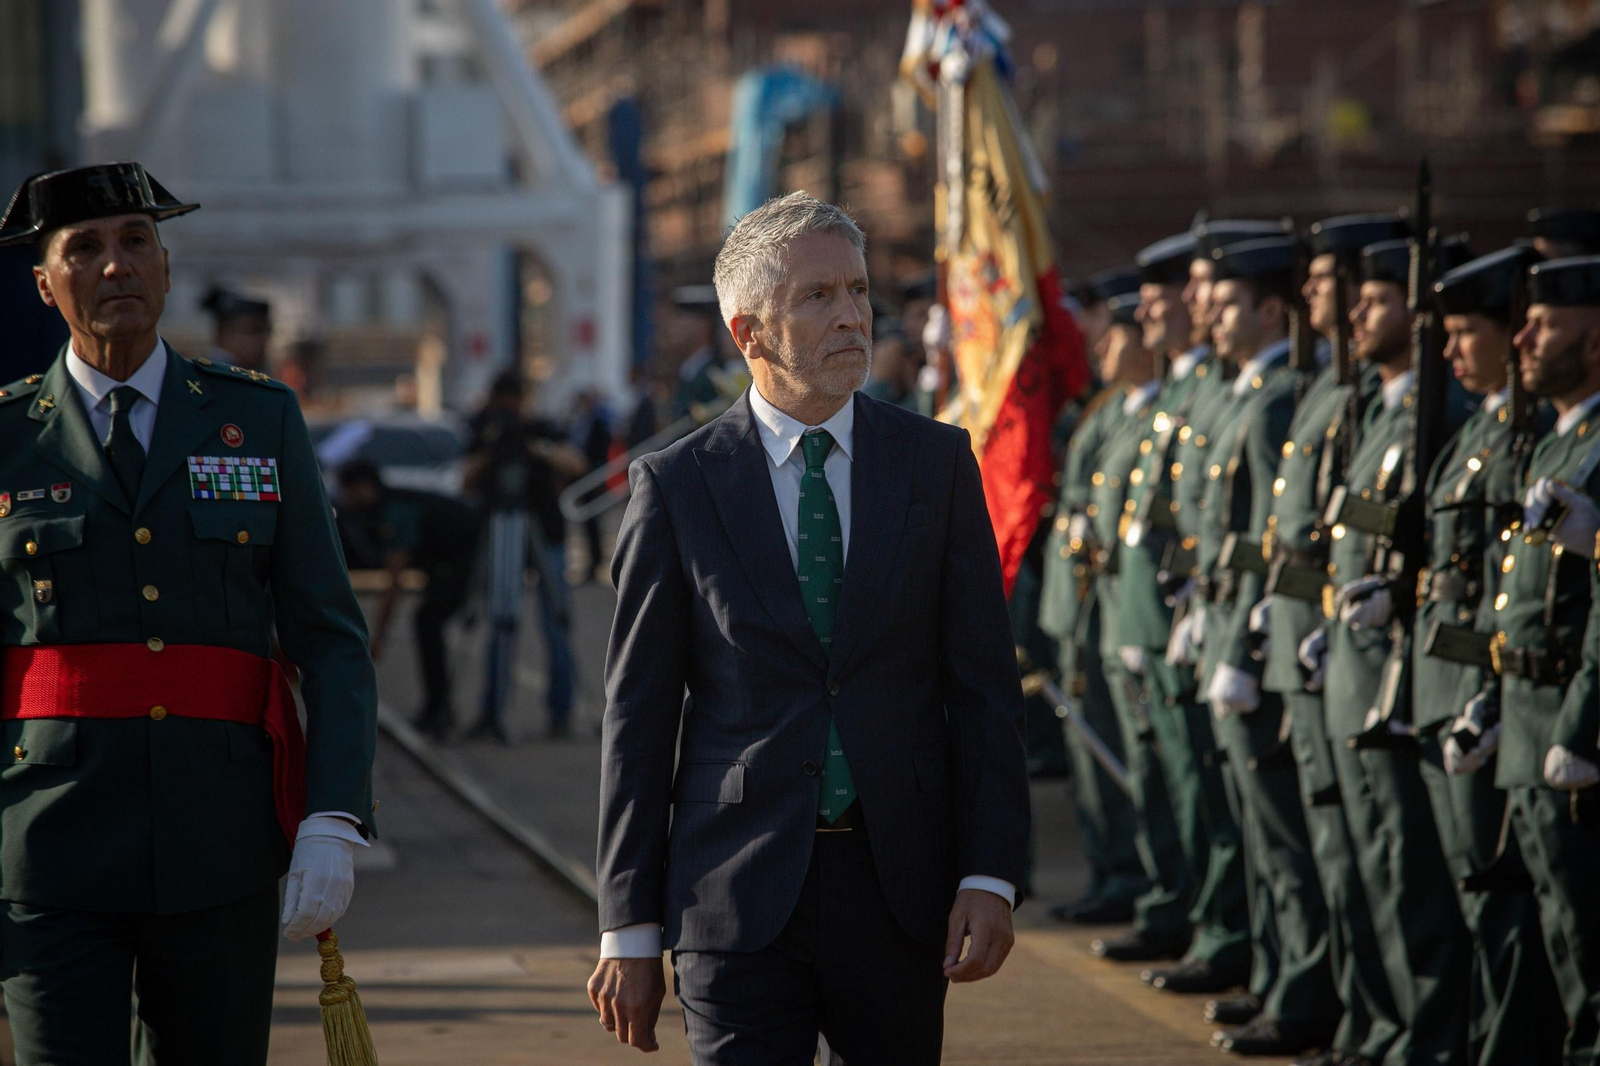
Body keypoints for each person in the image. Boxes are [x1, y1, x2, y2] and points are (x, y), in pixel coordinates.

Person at [588, 192, 1029, 1060]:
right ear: (749, 331)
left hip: (900, 889)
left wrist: (990, 872)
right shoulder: (677, 487)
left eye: (859, 292)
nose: (852, 317)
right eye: (818, 297)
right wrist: (627, 926)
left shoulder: (934, 465)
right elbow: (637, 721)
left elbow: (984, 689)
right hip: (733, 895)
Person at [0, 161, 376, 1064]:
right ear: (46, 285)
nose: (116, 266)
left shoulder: (259, 418)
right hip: (47, 842)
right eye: (84, 249)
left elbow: (329, 637)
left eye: (137, 243)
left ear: (166, 270)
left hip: (220, 839)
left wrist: (332, 815)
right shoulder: (7, 437)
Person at [1303, 236, 1474, 1066]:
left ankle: (1427, 1038)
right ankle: (1384, 1028)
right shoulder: (1373, 405)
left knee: (1413, 877)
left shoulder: (1438, 412)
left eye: (1376, 300)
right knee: (1366, 866)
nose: (1358, 315)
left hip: (1406, 676)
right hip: (1353, 665)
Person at [1187, 236, 1341, 1055]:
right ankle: (1280, 980)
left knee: (1287, 841)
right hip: (1225, 619)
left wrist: (1242, 636)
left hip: (1256, 631)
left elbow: (1261, 536)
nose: (1209, 313)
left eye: (1229, 302)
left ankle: (1303, 990)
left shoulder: (1280, 395)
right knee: (1261, 835)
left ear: (1271, 311)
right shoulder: (1252, 390)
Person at [1262, 213, 1407, 1066]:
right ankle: (1366, 1021)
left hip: (1382, 668)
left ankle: (1403, 1031)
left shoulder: (1404, 403)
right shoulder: (1334, 391)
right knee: (1337, 856)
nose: (1328, 304)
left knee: (1393, 871)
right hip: (1324, 650)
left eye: (1340, 286)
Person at [1416, 246, 1565, 1065]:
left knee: (1510, 908)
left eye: (1465, 332)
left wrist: (1490, 693)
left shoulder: (1528, 435)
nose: (1449, 350)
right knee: (1473, 899)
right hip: (1457, 689)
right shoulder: (1483, 429)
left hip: (1507, 698)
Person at [1470, 254, 1600, 1063]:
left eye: (1546, 324)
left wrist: (1583, 728)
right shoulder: (1558, 443)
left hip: (1569, 727)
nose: (1522, 337)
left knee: (1587, 940)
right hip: (1524, 717)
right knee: (1546, 924)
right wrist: (1487, 701)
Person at [1040, 273, 1152, 928]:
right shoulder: (1106, 406)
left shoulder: (1140, 409)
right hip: (1079, 604)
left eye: (1115, 334)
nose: (1102, 345)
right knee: (1091, 751)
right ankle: (1113, 872)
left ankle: (1135, 879)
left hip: (1111, 604)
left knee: (1126, 754)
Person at [463, 373, 584, 741]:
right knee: (501, 621)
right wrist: (490, 450)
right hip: (501, 529)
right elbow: (465, 480)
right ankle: (492, 712)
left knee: (556, 624)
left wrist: (536, 448)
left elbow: (576, 465)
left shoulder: (540, 429)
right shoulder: (484, 432)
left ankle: (561, 713)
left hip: (544, 532)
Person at [337, 459, 479, 741]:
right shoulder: (391, 504)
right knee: (427, 623)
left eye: (349, 492)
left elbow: (394, 580)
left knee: (427, 622)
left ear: (364, 488)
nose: (345, 500)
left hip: (467, 557)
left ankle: (438, 711)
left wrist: (379, 636)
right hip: (447, 562)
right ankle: (437, 709)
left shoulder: (395, 510)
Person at [199, 285, 272, 372]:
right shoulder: (213, 375)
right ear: (224, 332)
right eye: (255, 329)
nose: (264, 338)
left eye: (268, 330)